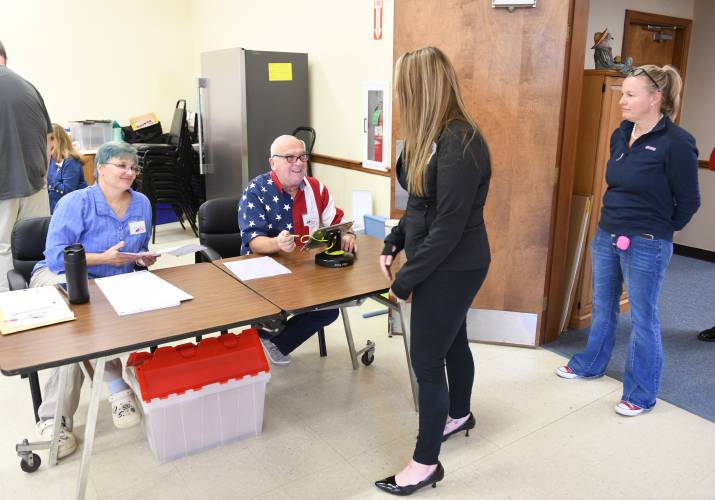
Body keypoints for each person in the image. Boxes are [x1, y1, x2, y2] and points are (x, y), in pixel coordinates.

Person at [375, 47, 491, 495]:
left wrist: (405, 281)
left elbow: (448, 227)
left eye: (404, 85)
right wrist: (395, 240)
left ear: (421, 88)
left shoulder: (461, 142)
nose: (399, 94)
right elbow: (421, 205)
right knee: (452, 339)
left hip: (455, 265)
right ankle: (459, 413)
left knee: (426, 359)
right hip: (435, 259)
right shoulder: (429, 137)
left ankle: (425, 465)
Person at [556, 65, 701, 417]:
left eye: (630, 95)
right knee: (603, 307)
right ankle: (591, 362)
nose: (622, 101)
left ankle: (640, 392)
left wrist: (659, 231)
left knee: (642, 317)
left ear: (656, 99)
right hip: (607, 234)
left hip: (648, 242)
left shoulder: (677, 143)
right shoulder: (621, 134)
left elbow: (690, 201)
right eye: (622, 93)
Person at [31, 141, 158, 458]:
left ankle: (115, 386)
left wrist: (141, 259)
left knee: (96, 315)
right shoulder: (76, 202)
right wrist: (104, 258)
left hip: (113, 279)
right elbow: (57, 258)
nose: (129, 172)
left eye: (133, 167)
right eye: (121, 166)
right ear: (100, 168)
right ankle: (59, 419)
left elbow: (135, 250)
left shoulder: (141, 202)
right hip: (61, 275)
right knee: (75, 328)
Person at [237, 134, 356, 366]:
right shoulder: (256, 191)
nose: (299, 163)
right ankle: (266, 332)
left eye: (302, 157)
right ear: (273, 163)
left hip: (305, 271)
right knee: (274, 307)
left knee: (330, 308)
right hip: (265, 271)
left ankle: (276, 343)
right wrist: (276, 244)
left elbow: (336, 223)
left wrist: (348, 235)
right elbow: (253, 240)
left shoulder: (316, 188)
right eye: (290, 158)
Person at [0, 39, 52, 292]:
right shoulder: (29, 87)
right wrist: (42, 178)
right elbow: (49, 139)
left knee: (2, 251)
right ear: (5, 58)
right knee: (39, 250)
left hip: (3, 190)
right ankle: (45, 304)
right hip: (35, 186)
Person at [47, 123, 88, 213]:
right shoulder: (51, 159)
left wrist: (47, 180)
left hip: (72, 210)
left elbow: (68, 191)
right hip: (56, 209)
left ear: (58, 140)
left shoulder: (70, 161)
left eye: (50, 139)